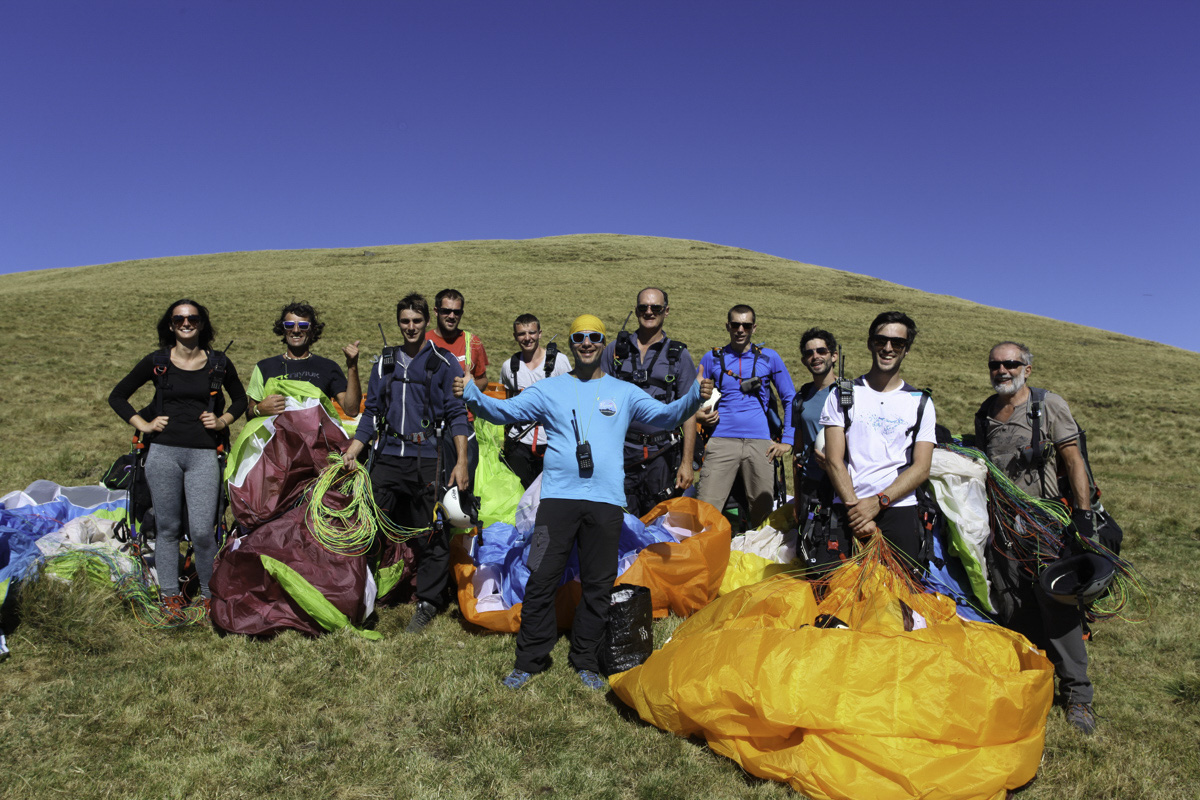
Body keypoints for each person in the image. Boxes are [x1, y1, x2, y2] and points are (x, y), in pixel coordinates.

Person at [455, 314, 711, 691]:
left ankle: (586, 659)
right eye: (579, 337)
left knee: (598, 583)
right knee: (540, 576)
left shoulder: (623, 392)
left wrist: (694, 397)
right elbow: (504, 412)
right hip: (555, 503)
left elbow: (664, 416)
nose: (587, 343)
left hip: (606, 504)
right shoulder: (551, 388)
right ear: (572, 344)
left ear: (603, 343)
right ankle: (530, 660)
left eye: (594, 337)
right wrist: (472, 394)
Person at [975, 340, 1099, 734]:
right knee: (1014, 604)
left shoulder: (1047, 406)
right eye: (995, 364)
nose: (1002, 370)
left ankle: (1078, 696)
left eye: (1011, 363)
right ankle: (1036, 679)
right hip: (1003, 528)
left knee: (1057, 605)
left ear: (1027, 368)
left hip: (1046, 524)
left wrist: (1081, 517)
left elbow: (1073, 459)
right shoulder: (986, 412)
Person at [342, 293, 471, 633]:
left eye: (416, 321)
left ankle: (428, 601)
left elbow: (457, 415)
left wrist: (461, 462)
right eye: (404, 321)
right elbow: (370, 414)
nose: (410, 327)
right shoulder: (384, 363)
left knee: (433, 534)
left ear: (426, 322)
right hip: (386, 459)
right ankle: (364, 598)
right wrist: (354, 449)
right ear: (398, 323)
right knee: (369, 532)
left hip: (429, 459)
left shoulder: (444, 363)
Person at [109, 299, 247, 612]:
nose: (186, 323)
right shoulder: (157, 361)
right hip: (162, 453)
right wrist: (143, 423)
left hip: (204, 455)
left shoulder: (219, 363)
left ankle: (211, 597)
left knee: (202, 530)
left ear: (202, 324)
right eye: (179, 319)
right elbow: (117, 396)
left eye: (193, 318)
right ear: (170, 325)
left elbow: (240, 399)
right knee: (168, 529)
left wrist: (223, 420)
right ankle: (170, 596)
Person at [818, 311, 936, 564]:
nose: (888, 348)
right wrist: (856, 510)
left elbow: (922, 467)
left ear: (907, 350)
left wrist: (878, 502)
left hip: (899, 509)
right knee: (837, 595)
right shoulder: (842, 394)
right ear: (870, 343)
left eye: (898, 343)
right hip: (848, 507)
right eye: (881, 340)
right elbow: (833, 460)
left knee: (899, 597)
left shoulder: (921, 402)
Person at [695, 304, 796, 528]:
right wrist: (698, 416)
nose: (740, 329)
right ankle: (703, 559)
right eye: (735, 324)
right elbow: (693, 397)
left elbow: (789, 397)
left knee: (764, 518)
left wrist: (788, 440)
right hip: (721, 441)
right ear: (727, 326)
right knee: (705, 512)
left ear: (754, 328)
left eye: (746, 325)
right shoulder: (712, 358)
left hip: (760, 443)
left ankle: (759, 561)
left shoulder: (770, 358)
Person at [600, 288, 698, 516]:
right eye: (643, 307)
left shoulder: (679, 355)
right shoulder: (615, 350)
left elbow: (689, 412)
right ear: (636, 311)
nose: (649, 312)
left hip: (661, 455)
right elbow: (599, 402)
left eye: (656, 307)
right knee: (619, 520)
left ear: (666, 311)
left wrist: (686, 462)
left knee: (658, 522)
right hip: (621, 454)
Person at [245, 301, 361, 419]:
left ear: (313, 330)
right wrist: (259, 410)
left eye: (303, 326)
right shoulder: (264, 367)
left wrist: (352, 366)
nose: (296, 330)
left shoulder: (328, 367)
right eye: (289, 325)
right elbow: (249, 413)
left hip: (316, 437)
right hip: (276, 437)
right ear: (283, 329)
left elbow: (351, 410)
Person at [499, 313, 571, 488]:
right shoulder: (509, 366)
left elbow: (572, 399)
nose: (527, 338)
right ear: (515, 336)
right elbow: (507, 402)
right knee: (519, 496)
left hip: (553, 443)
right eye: (522, 334)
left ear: (540, 333)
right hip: (519, 444)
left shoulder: (559, 362)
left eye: (531, 332)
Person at [426, 288, 488, 488]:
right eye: (446, 311)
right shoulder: (423, 341)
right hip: (428, 425)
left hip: (464, 423)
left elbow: (483, 380)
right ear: (436, 311)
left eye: (457, 312)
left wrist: (469, 387)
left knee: (462, 484)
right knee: (432, 484)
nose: (451, 316)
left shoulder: (473, 342)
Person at [790, 328, 841, 571]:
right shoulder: (801, 398)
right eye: (809, 353)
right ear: (803, 360)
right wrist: (798, 501)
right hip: (811, 485)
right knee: (809, 552)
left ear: (834, 356)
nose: (816, 356)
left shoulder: (849, 394)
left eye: (822, 351)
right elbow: (797, 452)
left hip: (842, 486)